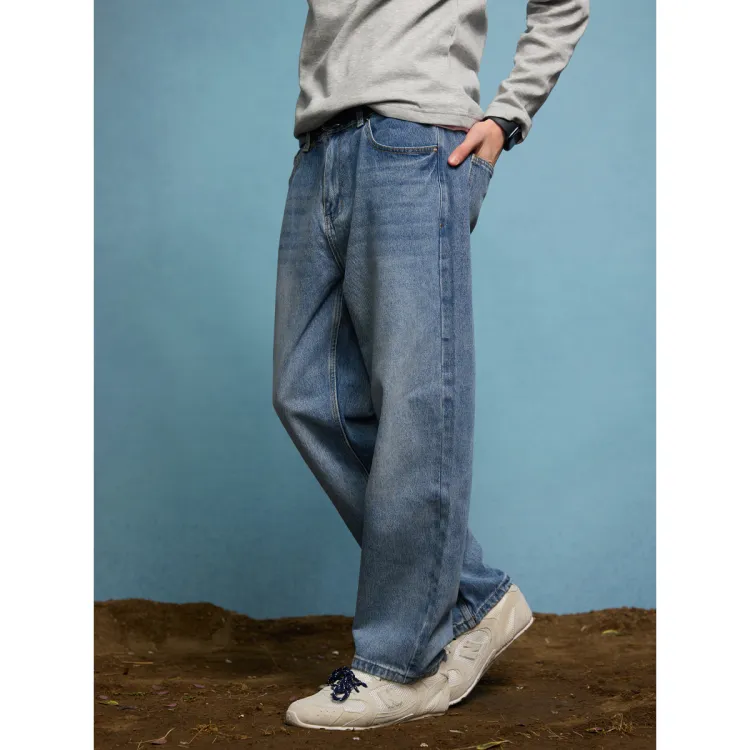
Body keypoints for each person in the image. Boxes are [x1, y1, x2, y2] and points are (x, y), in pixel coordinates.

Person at [272, 0, 589, 731]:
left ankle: (403, 663)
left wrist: (507, 116)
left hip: (414, 141)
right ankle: (474, 596)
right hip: (319, 143)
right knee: (308, 394)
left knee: (418, 404)